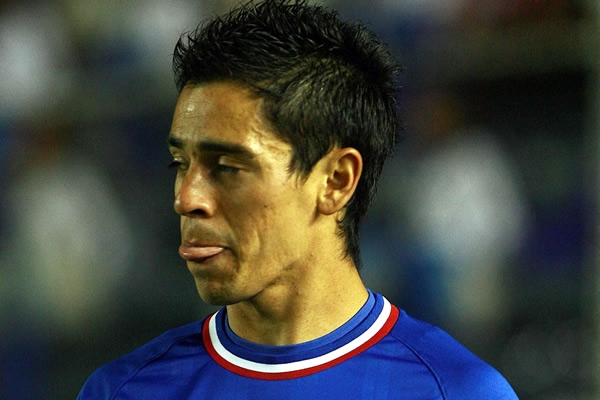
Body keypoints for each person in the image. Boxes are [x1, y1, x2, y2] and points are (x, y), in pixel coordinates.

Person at [77, 0, 518, 398]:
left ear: (335, 181)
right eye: (180, 163)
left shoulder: (456, 391)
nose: (186, 198)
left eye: (227, 167)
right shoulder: (121, 390)